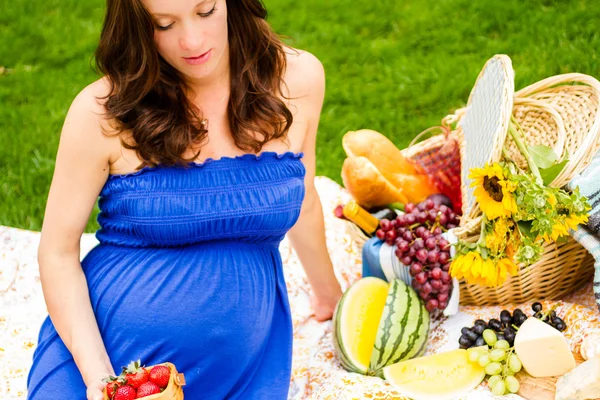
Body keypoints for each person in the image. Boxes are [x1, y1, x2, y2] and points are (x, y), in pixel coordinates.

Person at [26, 0, 342, 398]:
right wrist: (101, 381)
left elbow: (304, 197)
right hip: (102, 356)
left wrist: (330, 294)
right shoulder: (102, 113)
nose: (191, 41)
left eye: (206, 11)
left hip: (238, 372)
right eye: (164, 24)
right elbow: (57, 252)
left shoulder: (297, 81)